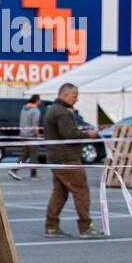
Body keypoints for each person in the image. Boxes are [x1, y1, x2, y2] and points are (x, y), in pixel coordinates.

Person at [42, 83, 102, 239]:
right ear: (65, 95)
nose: (77, 99)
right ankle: (85, 227)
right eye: (74, 95)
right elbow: (70, 135)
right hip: (68, 159)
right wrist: (88, 135)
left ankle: (51, 226)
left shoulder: (53, 110)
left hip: (55, 158)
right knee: (81, 191)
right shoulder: (62, 113)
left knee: (60, 193)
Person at [10, 94, 42, 181]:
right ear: (37, 100)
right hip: (31, 136)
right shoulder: (35, 111)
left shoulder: (24, 109)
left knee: (25, 154)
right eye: (40, 100)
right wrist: (38, 135)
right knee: (33, 156)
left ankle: (14, 169)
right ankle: (33, 175)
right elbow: (35, 125)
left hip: (23, 135)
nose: (40, 102)